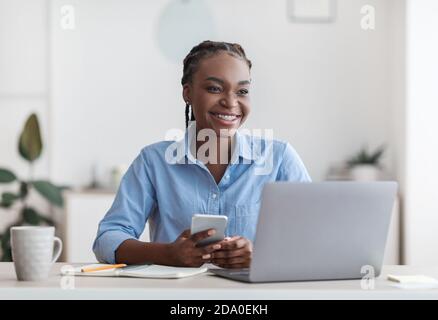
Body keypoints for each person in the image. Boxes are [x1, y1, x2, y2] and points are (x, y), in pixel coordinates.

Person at [93, 40, 311, 269]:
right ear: (187, 93)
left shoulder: (280, 159)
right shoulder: (153, 162)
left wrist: (262, 255)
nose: (230, 102)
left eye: (242, 91)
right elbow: (107, 239)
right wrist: (166, 253)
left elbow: (314, 237)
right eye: (215, 88)